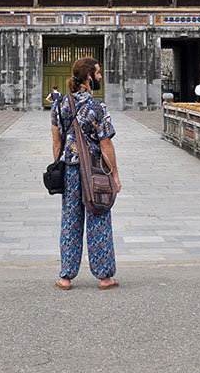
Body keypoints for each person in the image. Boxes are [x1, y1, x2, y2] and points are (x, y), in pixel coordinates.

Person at [51, 57, 121, 290]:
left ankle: (66, 277)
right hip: (93, 170)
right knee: (98, 216)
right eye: (98, 73)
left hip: (70, 170)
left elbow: (56, 141)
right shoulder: (98, 107)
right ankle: (104, 277)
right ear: (89, 77)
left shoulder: (60, 104)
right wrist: (115, 175)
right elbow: (106, 145)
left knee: (70, 221)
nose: (101, 77)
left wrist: (58, 165)